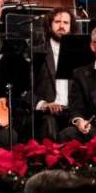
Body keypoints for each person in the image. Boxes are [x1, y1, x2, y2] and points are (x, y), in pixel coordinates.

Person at [34, 8, 75, 141]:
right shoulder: (36, 52)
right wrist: (43, 104)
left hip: (72, 111)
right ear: (50, 25)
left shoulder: (80, 53)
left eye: (65, 22)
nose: (62, 26)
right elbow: (24, 90)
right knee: (49, 124)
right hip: (45, 113)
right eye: (57, 22)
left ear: (71, 27)